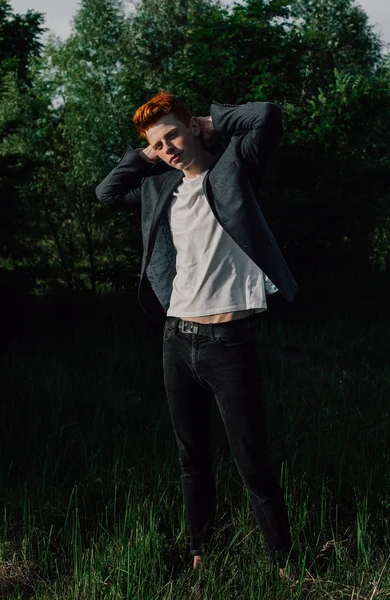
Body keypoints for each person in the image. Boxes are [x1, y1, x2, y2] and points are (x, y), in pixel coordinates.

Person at [96, 91, 298, 572]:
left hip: (229, 341)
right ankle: (200, 553)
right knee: (193, 460)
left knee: (252, 462)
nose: (168, 148)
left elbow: (267, 115)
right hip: (176, 340)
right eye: (157, 144)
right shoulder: (160, 186)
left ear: (192, 127)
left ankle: (284, 563)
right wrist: (146, 153)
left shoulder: (236, 166)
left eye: (173, 134)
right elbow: (105, 192)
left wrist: (213, 120)